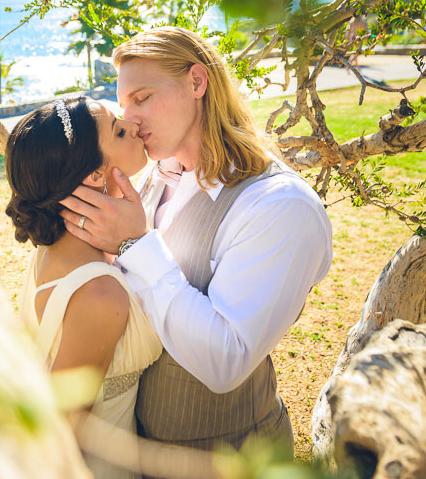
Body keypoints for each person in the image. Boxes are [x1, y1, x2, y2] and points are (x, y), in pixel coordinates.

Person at [60, 26, 333, 454]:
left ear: (196, 82)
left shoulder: (280, 207)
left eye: (143, 98)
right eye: (124, 103)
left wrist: (135, 244)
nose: (129, 118)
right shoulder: (150, 178)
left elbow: (226, 362)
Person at [6, 96, 163, 479]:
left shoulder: (53, 245)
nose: (133, 125)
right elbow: (60, 432)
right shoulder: (97, 294)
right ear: (94, 176)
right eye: (119, 130)